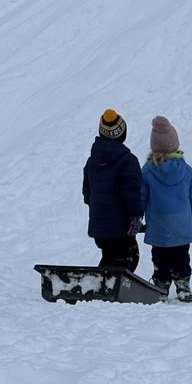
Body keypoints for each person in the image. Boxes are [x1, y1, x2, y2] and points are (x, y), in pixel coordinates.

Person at [141, 116, 192, 303]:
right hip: (182, 225)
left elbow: (141, 198)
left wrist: (137, 218)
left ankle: (161, 286)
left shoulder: (147, 170)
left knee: (160, 257)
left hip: (159, 225)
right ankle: (183, 285)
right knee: (181, 256)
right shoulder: (187, 171)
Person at [82, 109, 143, 270]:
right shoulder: (128, 161)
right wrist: (136, 216)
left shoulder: (91, 161)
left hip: (99, 226)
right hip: (121, 226)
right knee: (127, 258)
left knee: (109, 256)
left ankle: (98, 287)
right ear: (122, 133)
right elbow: (133, 193)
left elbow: (87, 194)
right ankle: (112, 290)